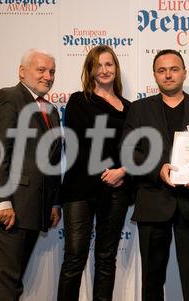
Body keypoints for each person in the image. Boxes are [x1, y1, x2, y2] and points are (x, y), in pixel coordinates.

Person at [121, 49, 189, 301]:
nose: (168, 75)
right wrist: (158, 170)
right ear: (154, 75)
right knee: (152, 279)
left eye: (174, 69)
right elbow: (127, 152)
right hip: (152, 202)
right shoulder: (140, 109)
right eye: (161, 70)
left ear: (184, 72)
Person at [0, 48, 62, 300]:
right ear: (22, 72)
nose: (47, 76)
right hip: (6, 209)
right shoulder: (8, 98)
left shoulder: (50, 111)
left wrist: (53, 201)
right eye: (40, 70)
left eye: (51, 71)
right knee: (6, 287)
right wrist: (2, 202)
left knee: (3, 284)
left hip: (31, 209)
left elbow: (52, 161)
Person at [57, 45, 133, 301]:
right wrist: (106, 171)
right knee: (75, 256)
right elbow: (78, 143)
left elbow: (135, 149)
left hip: (117, 189)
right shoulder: (80, 100)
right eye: (98, 65)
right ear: (90, 70)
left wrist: (121, 172)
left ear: (116, 69)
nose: (104, 70)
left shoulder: (129, 107)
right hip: (80, 188)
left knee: (105, 258)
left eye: (109, 64)